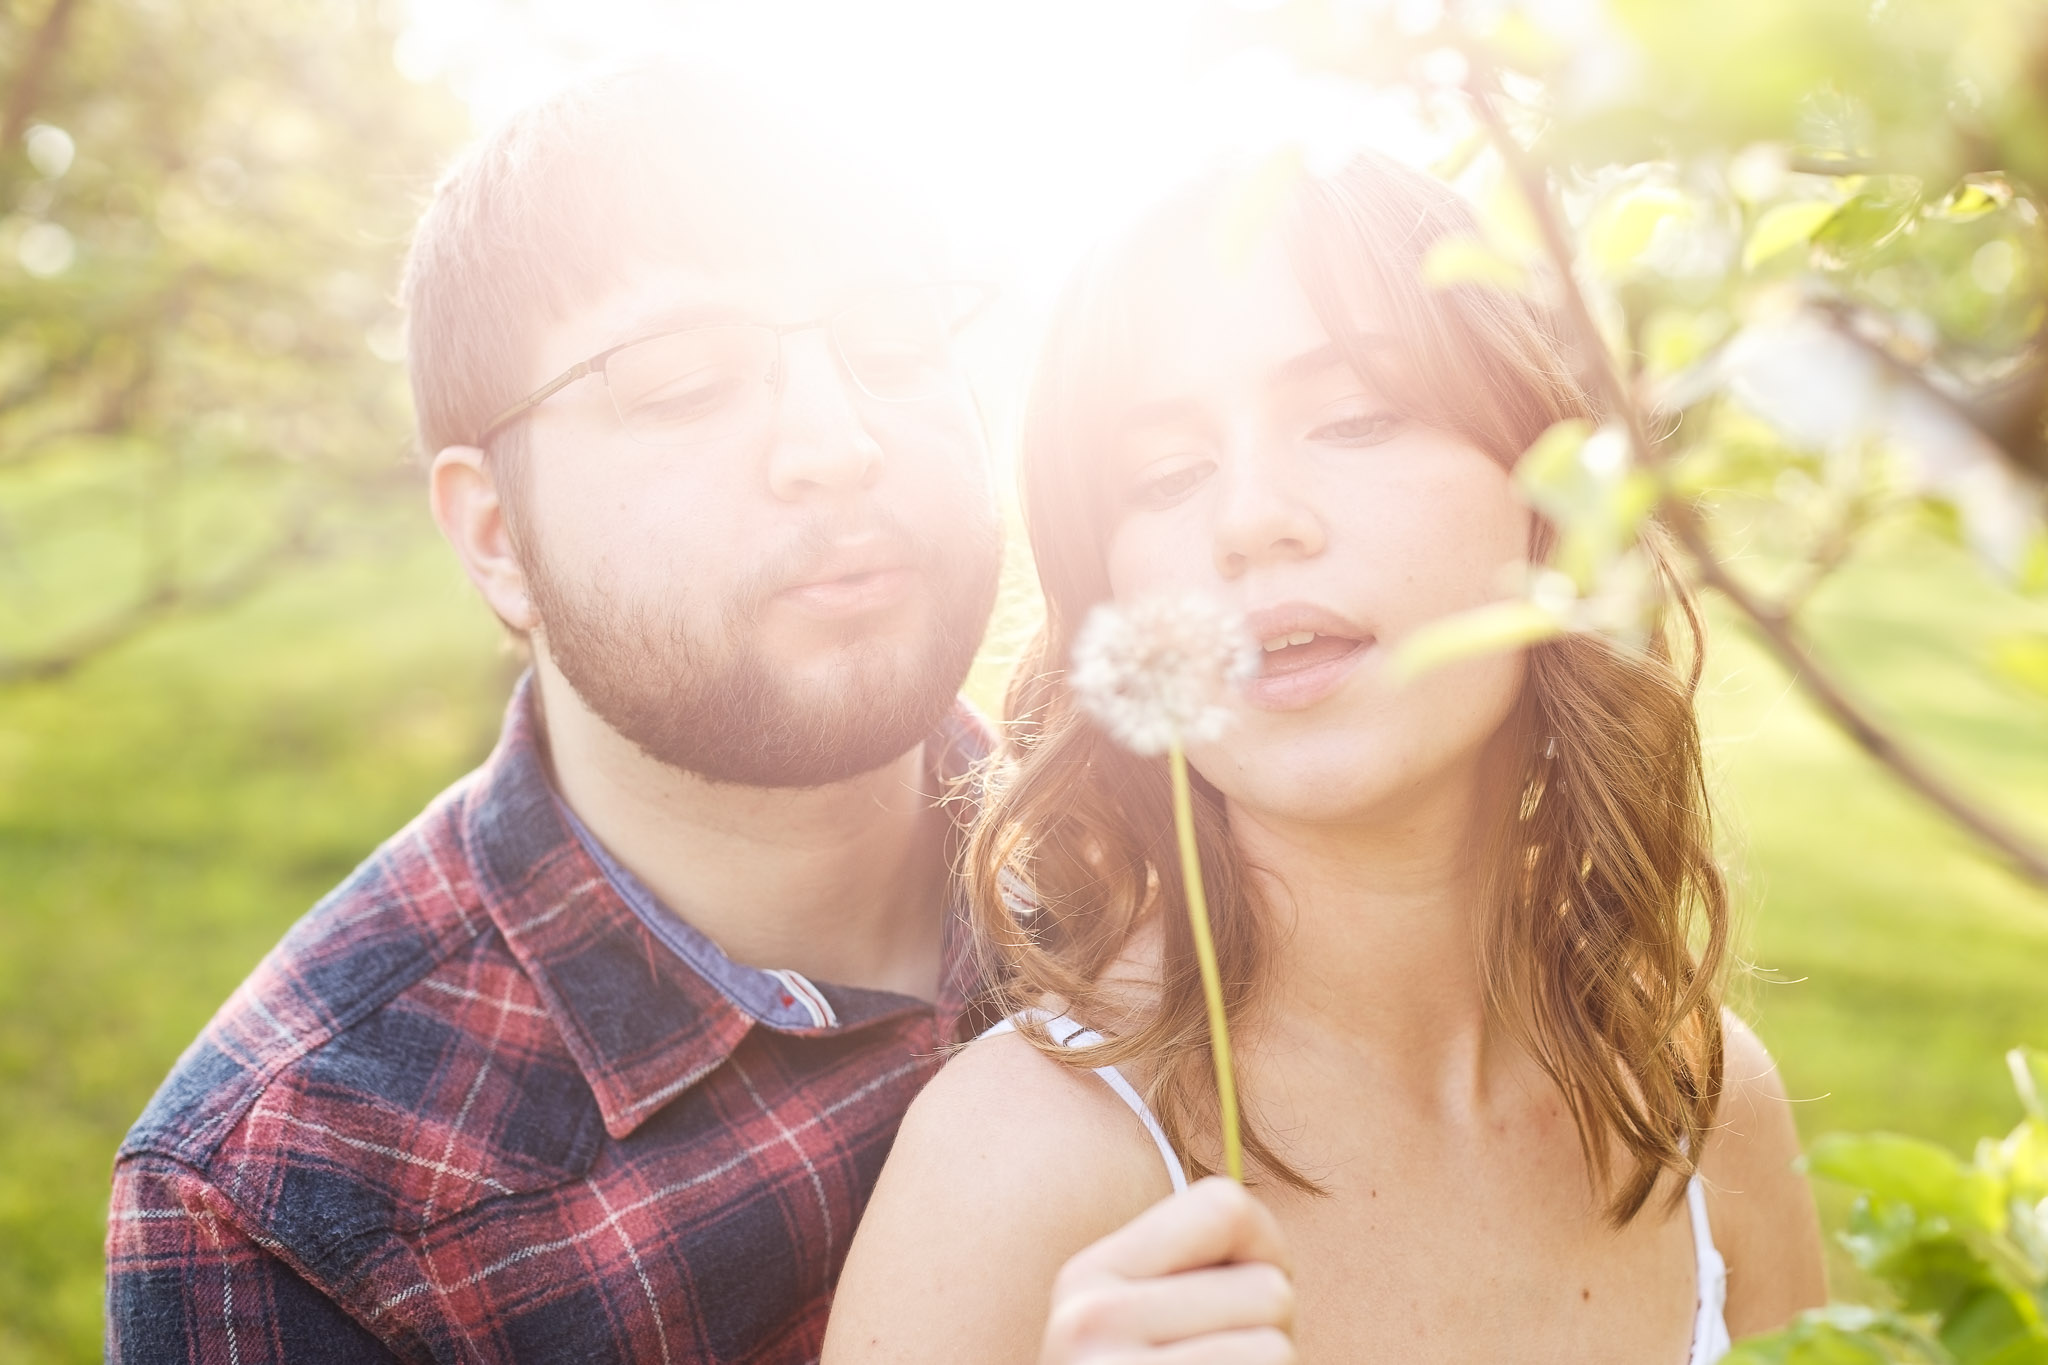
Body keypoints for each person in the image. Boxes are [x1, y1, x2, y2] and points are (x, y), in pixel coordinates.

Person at [823, 151, 1831, 1363]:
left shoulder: (1701, 1108)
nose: (1250, 518)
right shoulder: (1013, 1167)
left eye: (1355, 417)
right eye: (1165, 474)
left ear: (1546, 497)